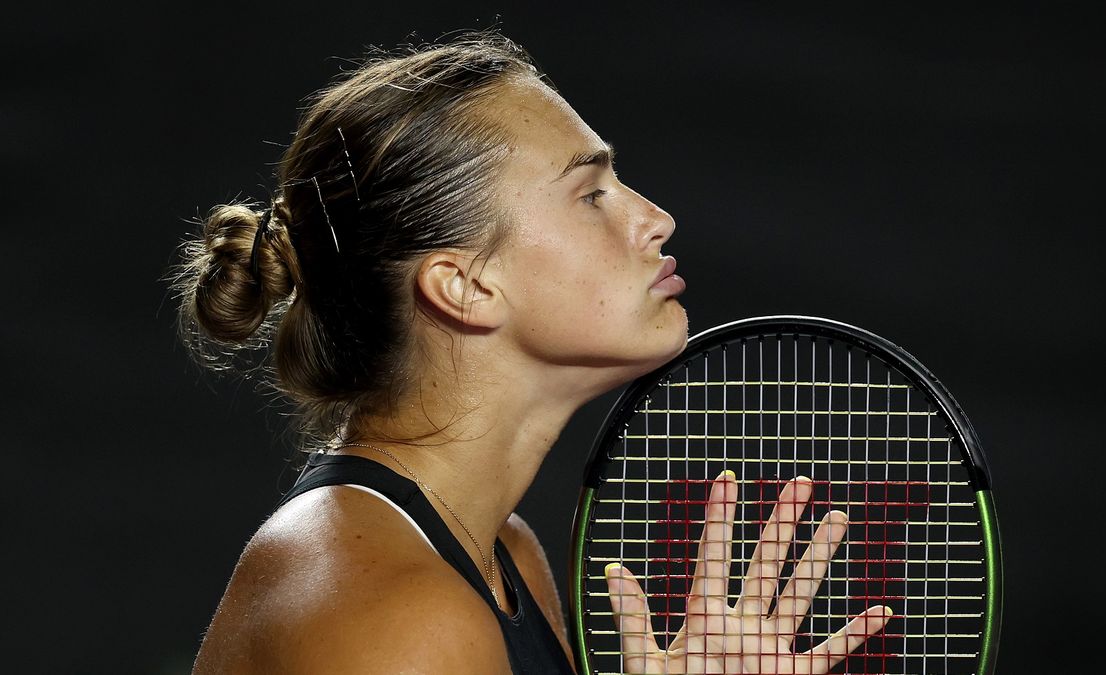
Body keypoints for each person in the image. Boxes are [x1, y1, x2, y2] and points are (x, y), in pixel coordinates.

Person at [176, 31, 890, 674]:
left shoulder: (500, 555)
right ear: (465, 284)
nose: (655, 219)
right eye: (591, 193)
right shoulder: (401, 615)